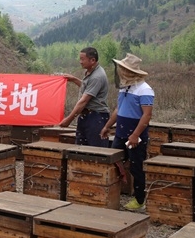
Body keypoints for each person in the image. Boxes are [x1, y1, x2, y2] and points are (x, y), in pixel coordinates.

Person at [100, 53, 153, 211]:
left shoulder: (145, 90)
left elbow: (147, 115)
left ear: (130, 71)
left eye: (123, 69)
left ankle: (140, 200)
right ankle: (111, 194)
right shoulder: (125, 87)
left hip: (135, 135)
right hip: (121, 133)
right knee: (113, 161)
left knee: (136, 167)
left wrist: (135, 135)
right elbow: (118, 110)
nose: (120, 72)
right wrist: (107, 126)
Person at [59, 47, 110, 147]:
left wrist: (69, 120)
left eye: (82, 59)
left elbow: (83, 101)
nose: (80, 62)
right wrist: (73, 79)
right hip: (86, 116)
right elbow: (87, 87)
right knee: (81, 149)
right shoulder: (90, 72)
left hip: (96, 117)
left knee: (95, 151)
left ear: (92, 60)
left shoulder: (97, 76)